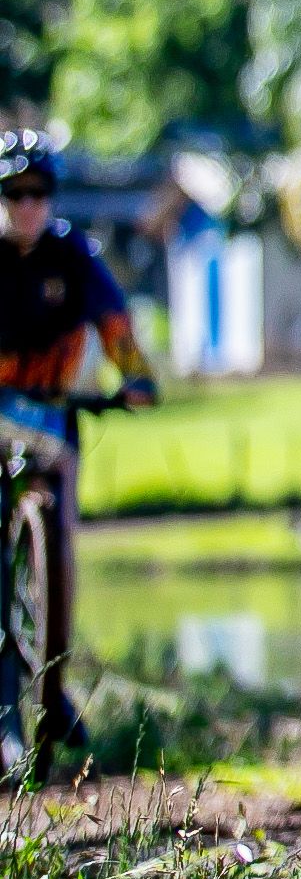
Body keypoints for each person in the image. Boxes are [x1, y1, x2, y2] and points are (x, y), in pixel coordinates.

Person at [0, 130, 158, 761]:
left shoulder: (72, 257)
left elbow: (114, 322)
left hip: (53, 417)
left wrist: (135, 376)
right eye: (14, 193)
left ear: (51, 198)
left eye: (37, 193)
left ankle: (54, 683)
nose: (26, 205)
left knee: (61, 531)